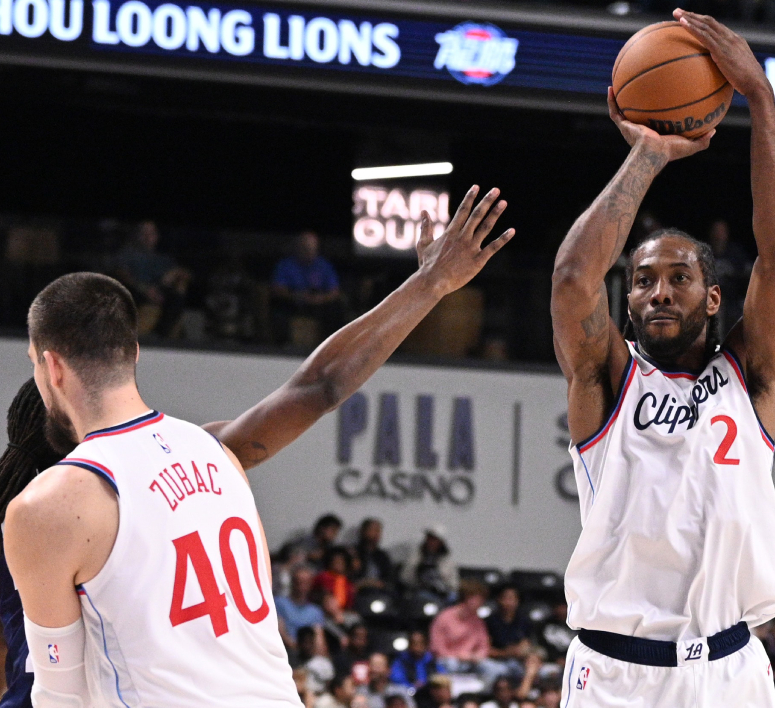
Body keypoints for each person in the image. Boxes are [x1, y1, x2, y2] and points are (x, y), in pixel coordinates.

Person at [0, 187, 514, 707]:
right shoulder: (216, 452)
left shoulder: (45, 509)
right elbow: (320, 386)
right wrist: (428, 284)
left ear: (52, 367)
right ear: (134, 353)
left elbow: (59, 696)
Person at [549, 9, 775, 707]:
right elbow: (573, 278)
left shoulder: (749, 380)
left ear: (715, 298)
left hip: (731, 671)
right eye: (642, 280)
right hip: (617, 675)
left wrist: (762, 102)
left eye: (679, 278)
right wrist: (649, 154)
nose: (657, 292)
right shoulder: (606, 378)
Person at [112, 220, 192, 337]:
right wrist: (145, 289)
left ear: (157, 236)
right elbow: (121, 273)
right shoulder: (128, 254)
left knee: (176, 296)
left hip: (160, 290)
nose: (147, 237)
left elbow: (186, 273)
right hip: (136, 290)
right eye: (144, 233)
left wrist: (174, 273)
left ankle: (162, 335)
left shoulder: (162, 258)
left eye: (151, 233)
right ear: (137, 235)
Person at [272, 231, 344, 341]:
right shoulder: (286, 264)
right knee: (278, 312)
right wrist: (296, 296)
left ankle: (331, 344)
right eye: (305, 248)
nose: (308, 252)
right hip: (293, 301)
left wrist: (321, 299)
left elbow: (334, 291)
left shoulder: (324, 265)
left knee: (336, 310)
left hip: (319, 302)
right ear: (297, 247)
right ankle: (282, 345)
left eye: (311, 248)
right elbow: (277, 288)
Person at [430, 580, 500, 682]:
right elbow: (437, 647)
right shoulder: (444, 617)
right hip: (449, 660)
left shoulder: (478, 621)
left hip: (471, 661)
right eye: (478, 599)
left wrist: (476, 656)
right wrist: (457, 655)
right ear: (467, 598)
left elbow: (484, 646)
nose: (481, 603)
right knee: (451, 665)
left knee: (495, 669)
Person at [708, 218, 751, 340]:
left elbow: (748, 274)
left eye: (722, 231)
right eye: (716, 231)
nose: (719, 235)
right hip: (710, 304)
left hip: (733, 303)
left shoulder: (736, 253)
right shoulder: (704, 252)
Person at [279, 567, 327, 651]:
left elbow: (319, 640)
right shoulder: (280, 603)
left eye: (306, 582)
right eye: (298, 581)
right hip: (285, 650)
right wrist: (297, 648)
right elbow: (280, 631)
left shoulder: (315, 611)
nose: (301, 585)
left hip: (308, 653)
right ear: (292, 582)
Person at [404, 525, 459, 597]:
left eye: (434, 539)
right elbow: (405, 577)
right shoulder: (416, 556)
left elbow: (454, 584)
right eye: (429, 538)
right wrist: (417, 570)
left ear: (441, 541)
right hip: (419, 591)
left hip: (442, 594)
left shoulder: (447, 561)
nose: (431, 542)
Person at [352, 518, 396, 590]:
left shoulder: (382, 556)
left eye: (378, 531)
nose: (376, 534)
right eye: (373, 530)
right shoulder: (354, 552)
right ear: (364, 531)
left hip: (380, 592)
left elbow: (389, 576)